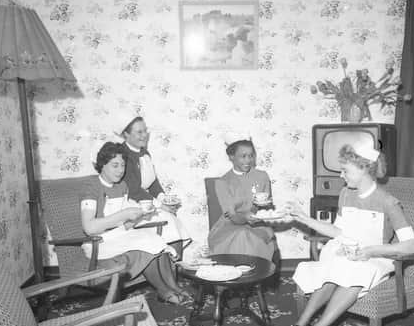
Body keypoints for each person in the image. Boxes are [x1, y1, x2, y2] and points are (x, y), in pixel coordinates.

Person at [282, 143, 414, 326]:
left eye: (345, 170)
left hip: (375, 256)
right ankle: (301, 324)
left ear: (364, 169)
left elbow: (411, 246)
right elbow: (338, 231)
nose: (341, 174)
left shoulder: (388, 202)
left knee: (354, 274)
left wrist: (371, 251)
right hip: (346, 249)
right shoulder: (346, 194)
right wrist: (304, 218)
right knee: (335, 267)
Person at [80, 142, 190, 305]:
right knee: (146, 242)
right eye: (114, 165)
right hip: (100, 242)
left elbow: (125, 225)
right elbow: (89, 228)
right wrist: (124, 214)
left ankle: (175, 288)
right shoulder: (91, 187)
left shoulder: (122, 186)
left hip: (119, 236)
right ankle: (164, 291)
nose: (120, 170)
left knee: (155, 240)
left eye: (123, 165)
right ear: (102, 165)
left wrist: (140, 216)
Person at [118, 116, 191, 258]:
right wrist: (160, 206)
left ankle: (175, 268)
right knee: (168, 222)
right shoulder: (123, 154)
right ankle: (169, 269)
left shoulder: (144, 152)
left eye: (145, 131)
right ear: (126, 134)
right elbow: (133, 190)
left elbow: (153, 182)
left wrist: (164, 199)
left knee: (172, 220)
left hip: (146, 201)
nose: (144, 135)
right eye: (139, 132)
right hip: (130, 205)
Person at [207, 139, 277, 263]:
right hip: (229, 227)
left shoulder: (262, 176)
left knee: (246, 235)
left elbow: (265, 205)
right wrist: (246, 217)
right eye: (243, 156)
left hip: (257, 226)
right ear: (231, 157)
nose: (248, 160)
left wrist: (262, 213)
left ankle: (252, 274)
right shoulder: (222, 183)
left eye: (251, 156)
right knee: (242, 235)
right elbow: (233, 217)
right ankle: (245, 274)